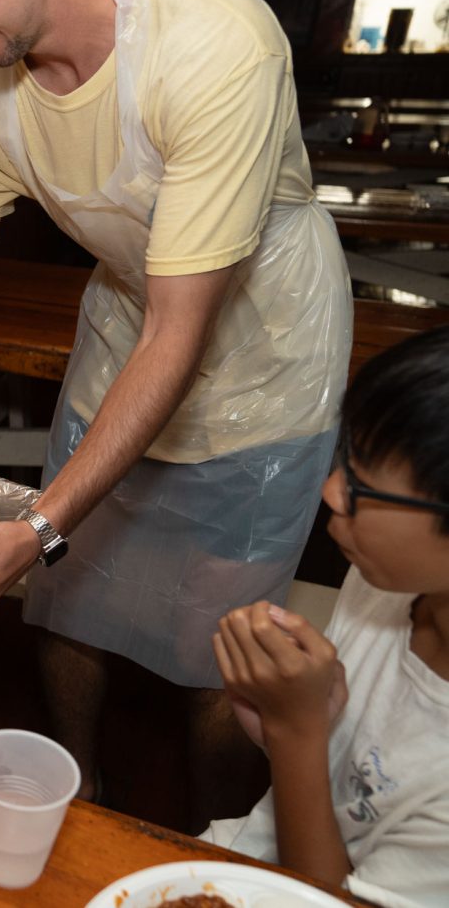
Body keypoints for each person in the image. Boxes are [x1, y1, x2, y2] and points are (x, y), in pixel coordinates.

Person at [0, 0, 352, 822]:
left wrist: (43, 522)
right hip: (126, 332)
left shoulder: (213, 42)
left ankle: (219, 838)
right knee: (68, 601)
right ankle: (77, 786)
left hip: (265, 359)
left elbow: (179, 331)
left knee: (223, 643)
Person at [203, 325, 449, 907]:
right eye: (347, 459)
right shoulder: (386, 578)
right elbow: (349, 785)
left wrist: (296, 733)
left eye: (361, 483)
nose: (331, 491)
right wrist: (287, 721)